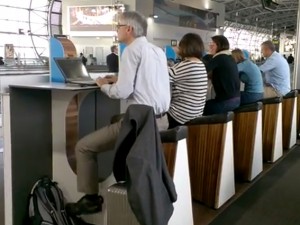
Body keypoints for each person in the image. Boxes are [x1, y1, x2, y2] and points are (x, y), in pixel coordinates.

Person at [66, 11, 171, 216]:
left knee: (84, 147)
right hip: (161, 120)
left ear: (128, 29)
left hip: (140, 125)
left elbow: (122, 92)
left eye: (118, 26)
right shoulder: (157, 51)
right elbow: (146, 80)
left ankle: (90, 199)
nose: (117, 30)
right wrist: (117, 77)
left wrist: (103, 84)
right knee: (116, 120)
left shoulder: (130, 51)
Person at [167, 33, 208, 129]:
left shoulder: (185, 65)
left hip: (180, 117)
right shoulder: (200, 64)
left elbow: (162, 77)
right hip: (196, 115)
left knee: (153, 120)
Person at [203, 35, 240, 115]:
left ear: (219, 46)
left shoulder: (220, 57)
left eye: (213, 44)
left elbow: (202, 71)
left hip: (226, 102)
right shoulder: (229, 57)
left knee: (198, 109)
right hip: (235, 99)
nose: (210, 46)